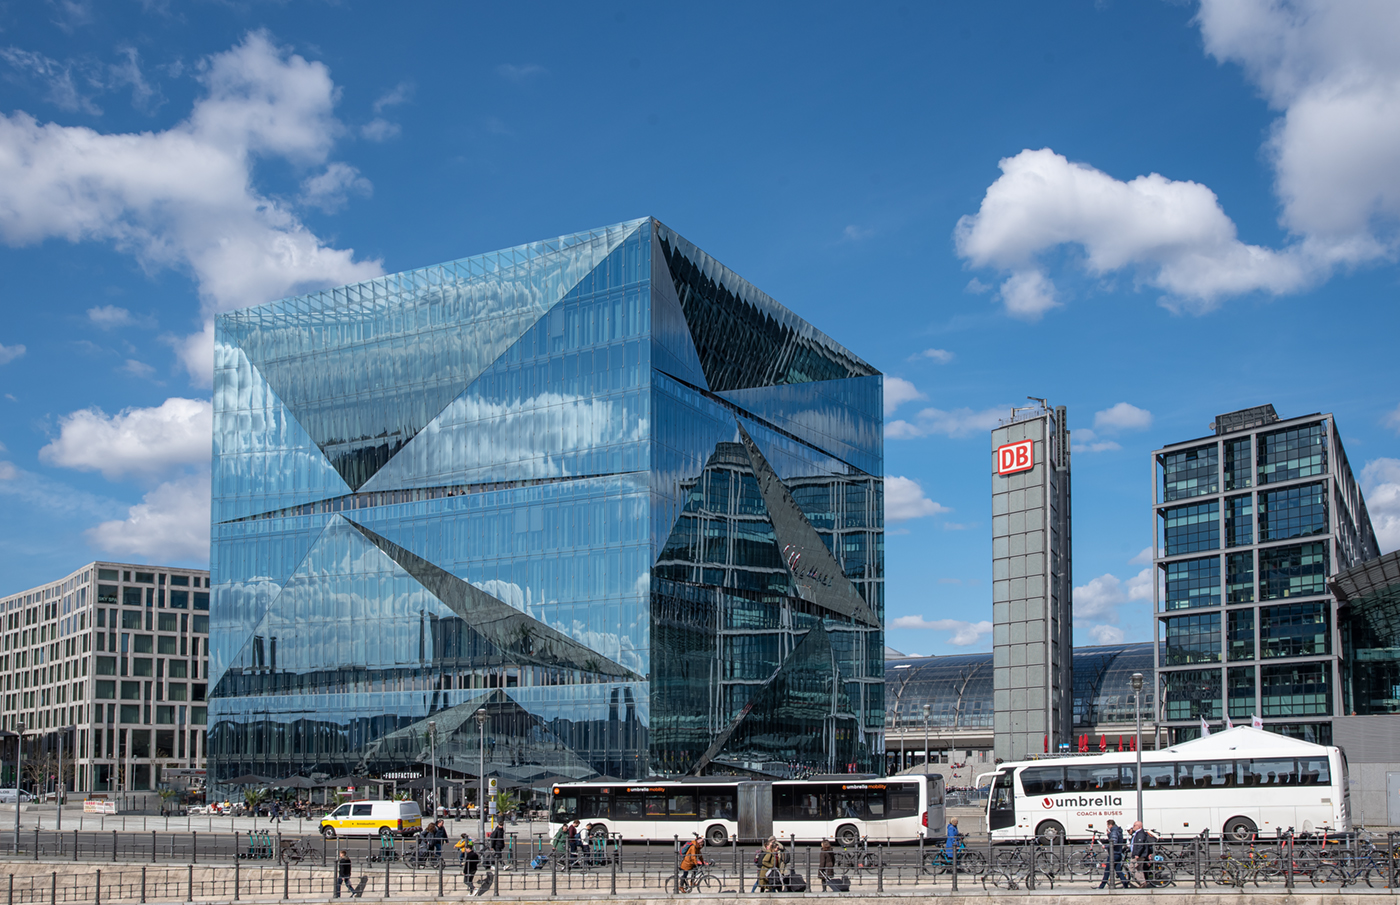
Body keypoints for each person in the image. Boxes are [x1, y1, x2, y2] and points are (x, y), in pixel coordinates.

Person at [1097, 819, 1128, 888]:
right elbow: (1114, 839)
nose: (1107, 826)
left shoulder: (1114, 831)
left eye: (1107, 825)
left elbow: (1114, 842)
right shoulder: (1118, 830)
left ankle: (1101, 887)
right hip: (1118, 853)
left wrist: (1106, 846)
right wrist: (1108, 834)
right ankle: (1125, 885)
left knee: (1107, 871)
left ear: (1110, 825)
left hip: (1113, 854)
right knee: (1118, 871)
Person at [1128, 820, 1154, 887]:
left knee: (1132, 867)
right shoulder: (1138, 833)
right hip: (1140, 854)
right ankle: (1143, 883)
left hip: (1139, 855)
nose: (1133, 827)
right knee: (1139, 869)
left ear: (1139, 826)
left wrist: (1137, 854)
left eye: (1134, 825)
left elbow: (1140, 844)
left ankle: (1142, 882)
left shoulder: (1140, 834)